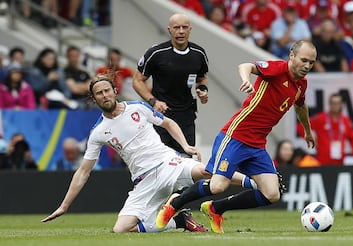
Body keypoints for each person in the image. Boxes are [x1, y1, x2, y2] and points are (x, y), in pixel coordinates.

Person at [42, 74, 258, 233]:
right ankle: (180, 221)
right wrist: (64, 206)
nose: (104, 95)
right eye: (99, 93)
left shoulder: (137, 108)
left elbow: (168, 123)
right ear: (94, 98)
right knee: (121, 230)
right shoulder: (98, 132)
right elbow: (83, 172)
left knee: (206, 171)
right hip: (143, 181)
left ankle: (256, 183)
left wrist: (185, 146)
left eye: (107, 90)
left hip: (167, 162)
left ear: (114, 91)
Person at [155, 40, 316, 233]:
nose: (307, 66)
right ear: (292, 55)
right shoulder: (277, 69)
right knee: (217, 186)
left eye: (311, 63)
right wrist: (246, 80)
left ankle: (216, 209)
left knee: (272, 194)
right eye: (304, 60)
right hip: (235, 136)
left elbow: (300, 105)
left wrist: (307, 131)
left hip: (257, 145)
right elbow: (245, 66)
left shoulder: (300, 85)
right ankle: (175, 203)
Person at [133, 13, 209, 157]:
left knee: (186, 159)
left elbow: (202, 78)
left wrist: (203, 91)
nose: (181, 31)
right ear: (169, 30)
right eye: (176, 27)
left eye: (184, 27)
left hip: (186, 115)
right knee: (161, 159)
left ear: (190, 30)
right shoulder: (156, 53)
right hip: (161, 115)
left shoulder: (199, 53)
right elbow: (137, 81)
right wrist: (153, 101)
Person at [297, 93, 353, 165]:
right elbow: (300, 127)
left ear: (341, 105)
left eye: (338, 103)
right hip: (322, 161)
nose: (335, 106)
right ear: (330, 104)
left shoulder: (346, 121)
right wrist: (312, 139)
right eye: (333, 103)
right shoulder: (320, 118)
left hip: (340, 162)